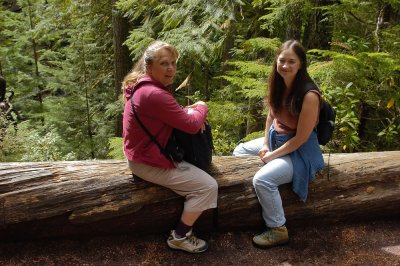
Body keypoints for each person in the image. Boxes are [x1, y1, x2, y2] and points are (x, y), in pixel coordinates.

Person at [122, 41, 218, 253]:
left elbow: (168, 115)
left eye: (173, 63)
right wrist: (202, 106)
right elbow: (192, 126)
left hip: (141, 153)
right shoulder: (155, 94)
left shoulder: (142, 86)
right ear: (149, 67)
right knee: (208, 186)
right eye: (164, 63)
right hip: (147, 161)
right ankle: (180, 237)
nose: (171, 69)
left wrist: (186, 112)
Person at [233, 40, 324, 248]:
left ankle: (278, 228)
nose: (285, 66)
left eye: (291, 61)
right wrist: (266, 143)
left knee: (262, 180)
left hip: (299, 152)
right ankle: (266, 193)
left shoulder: (309, 95)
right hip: (276, 140)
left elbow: (300, 139)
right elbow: (271, 116)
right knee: (239, 151)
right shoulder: (279, 84)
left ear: (301, 64)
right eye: (282, 60)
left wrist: (272, 156)